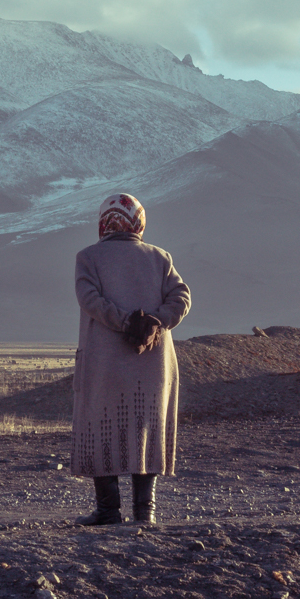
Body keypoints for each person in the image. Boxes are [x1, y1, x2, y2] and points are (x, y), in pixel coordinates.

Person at [71, 193, 191, 526]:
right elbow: (182, 297)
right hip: (154, 363)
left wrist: (126, 322)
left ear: (103, 221)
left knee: (100, 427)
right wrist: (155, 323)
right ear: (139, 221)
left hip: (104, 363)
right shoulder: (160, 258)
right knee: (147, 428)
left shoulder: (88, 258)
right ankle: (145, 512)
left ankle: (108, 511)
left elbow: (89, 299)